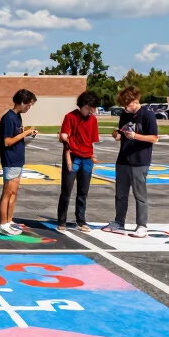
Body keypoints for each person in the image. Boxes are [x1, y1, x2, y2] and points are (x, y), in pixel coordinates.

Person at [106, 86, 159, 238]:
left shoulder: (148, 115)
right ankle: (119, 221)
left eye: (127, 104)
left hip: (140, 160)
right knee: (120, 194)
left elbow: (154, 138)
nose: (125, 108)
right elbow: (119, 132)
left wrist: (135, 136)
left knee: (139, 195)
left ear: (135, 101)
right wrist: (116, 134)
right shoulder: (125, 114)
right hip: (123, 159)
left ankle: (142, 225)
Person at [56, 91, 101, 232]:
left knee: (83, 192)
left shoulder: (93, 120)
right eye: (88, 108)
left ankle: (81, 221)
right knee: (66, 191)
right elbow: (64, 137)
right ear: (82, 105)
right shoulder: (70, 117)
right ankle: (62, 221)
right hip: (73, 157)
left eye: (92, 108)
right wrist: (67, 157)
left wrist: (92, 157)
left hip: (87, 159)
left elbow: (91, 141)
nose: (90, 111)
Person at [0, 89, 39, 236]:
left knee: (14, 193)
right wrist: (25, 132)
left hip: (18, 159)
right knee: (7, 192)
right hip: (10, 160)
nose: (29, 107)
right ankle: (2, 224)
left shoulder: (17, 117)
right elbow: (7, 142)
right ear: (21, 102)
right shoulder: (8, 118)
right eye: (29, 104)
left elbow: (18, 141)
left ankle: (9, 221)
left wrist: (29, 136)